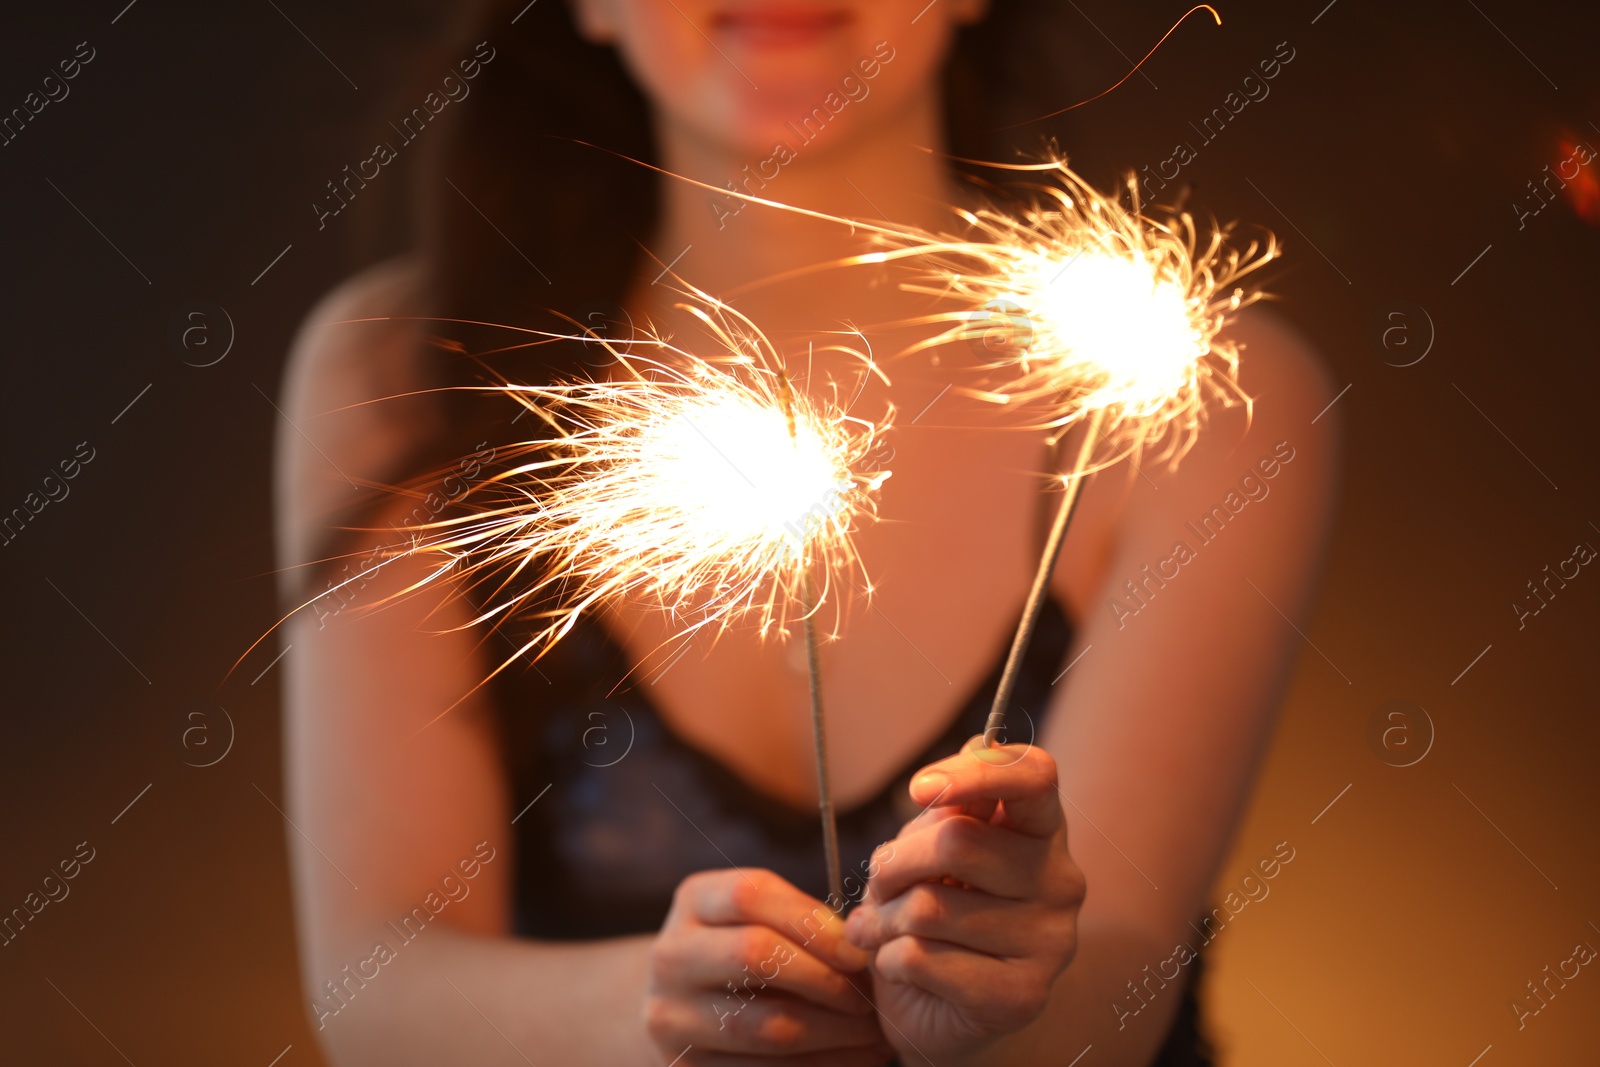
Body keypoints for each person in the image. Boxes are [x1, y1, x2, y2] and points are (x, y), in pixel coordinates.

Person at [273, 1, 1339, 1064]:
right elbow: (380, 987)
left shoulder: (1199, 396)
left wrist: (992, 1009)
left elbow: (1108, 1009)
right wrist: (658, 1006)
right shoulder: (403, 379)